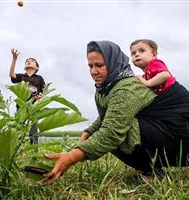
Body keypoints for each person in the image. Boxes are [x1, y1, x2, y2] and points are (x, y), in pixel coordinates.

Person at [44, 41, 189, 184]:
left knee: (119, 130)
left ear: (114, 63)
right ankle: (148, 168)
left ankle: (151, 172)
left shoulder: (127, 88)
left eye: (99, 65)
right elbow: (107, 115)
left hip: (181, 137)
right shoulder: (106, 88)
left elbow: (112, 131)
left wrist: (72, 157)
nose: (94, 71)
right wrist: (88, 131)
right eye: (90, 66)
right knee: (104, 130)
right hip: (163, 131)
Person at [9, 49, 45, 144]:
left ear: (36, 67)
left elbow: (43, 91)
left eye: (32, 61)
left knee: (33, 130)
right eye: (27, 61)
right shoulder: (21, 77)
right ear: (25, 67)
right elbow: (12, 74)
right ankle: (19, 151)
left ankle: (34, 153)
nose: (29, 61)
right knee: (19, 128)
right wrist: (14, 59)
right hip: (21, 106)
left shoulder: (39, 78)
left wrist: (40, 97)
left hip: (33, 107)